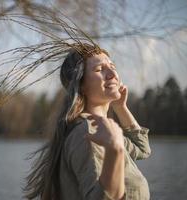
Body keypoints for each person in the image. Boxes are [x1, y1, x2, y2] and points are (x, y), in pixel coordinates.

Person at [23, 43, 151, 200]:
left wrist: (121, 108)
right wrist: (114, 151)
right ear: (81, 86)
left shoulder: (100, 129)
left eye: (112, 66)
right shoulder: (88, 133)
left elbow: (142, 148)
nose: (112, 74)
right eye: (99, 70)